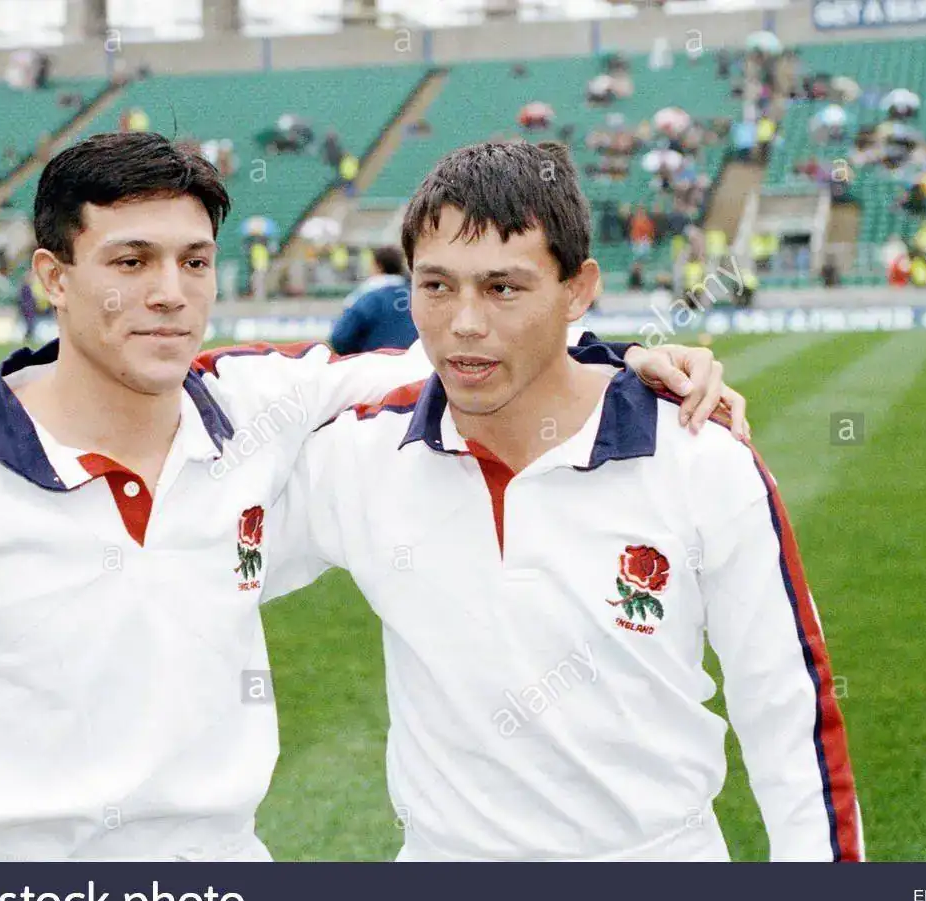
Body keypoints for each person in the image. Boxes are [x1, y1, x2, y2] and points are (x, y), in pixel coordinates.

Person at [0, 132, 738, 863]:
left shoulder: (261, 405)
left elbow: (459, 360)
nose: (170, 291)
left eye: (193, 261)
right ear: (54, 276)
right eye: (130, 262)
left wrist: (625, 359)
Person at [277, 141, 861, 861]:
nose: (464, 322)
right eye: (435, 286)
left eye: (503, 288)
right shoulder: (359, 459)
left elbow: (791, 717)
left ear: (578, 290)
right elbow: (201, 532)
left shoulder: (700, 459)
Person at [329, 246, 413, 355]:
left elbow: (340, 338)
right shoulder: (417, 295)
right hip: (418, 365)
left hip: (375, 366)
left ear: (377, 265)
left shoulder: (365, 296)